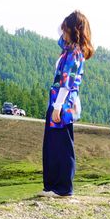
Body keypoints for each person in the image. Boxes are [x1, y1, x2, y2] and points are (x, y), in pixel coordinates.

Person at [39, 10, 94, 198]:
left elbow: (67, 82)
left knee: (61, 145)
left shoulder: (74, 54)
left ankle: (62, 188)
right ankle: (53, 186)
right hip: (58, 101)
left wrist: (57, 106)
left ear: (73, 30)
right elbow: (57, 33)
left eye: (66, 28)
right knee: (53, 144)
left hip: (62, 103)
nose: (62, 32)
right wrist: (71, 18)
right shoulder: (68, 49)